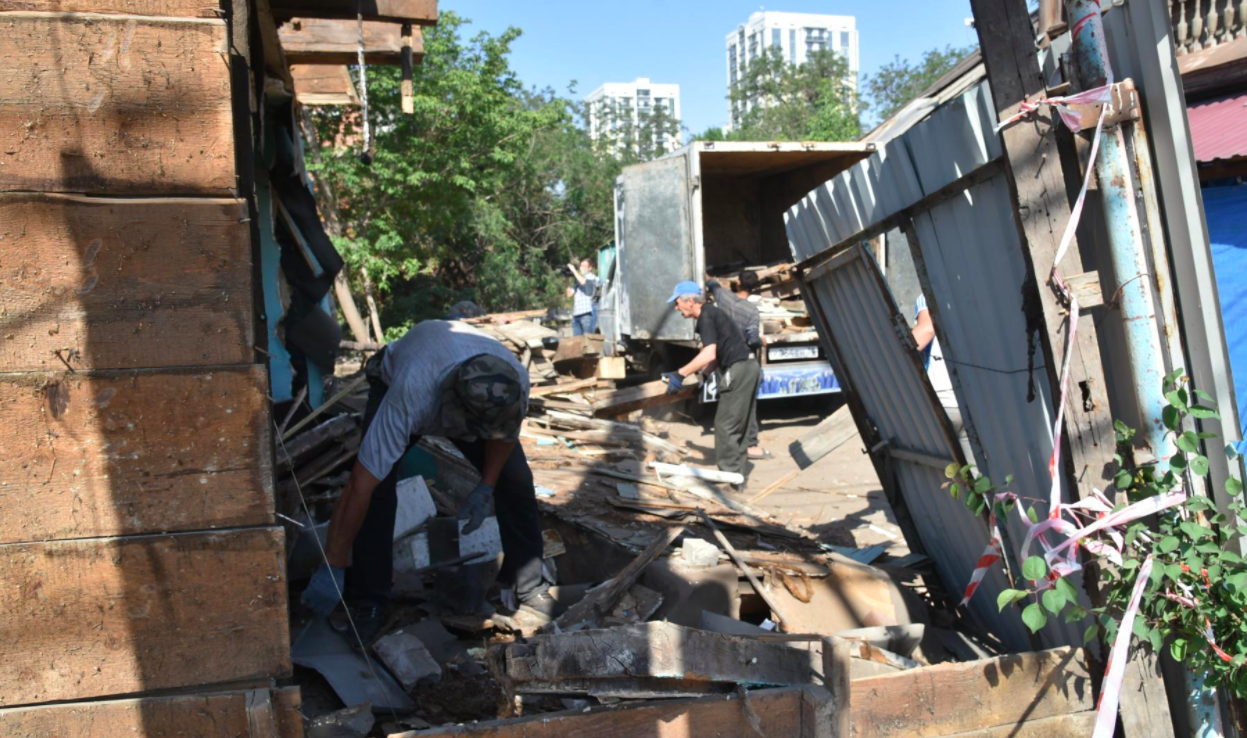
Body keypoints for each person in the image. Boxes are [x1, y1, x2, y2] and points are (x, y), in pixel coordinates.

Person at [301, 320, 552, 642]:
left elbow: (504, 436)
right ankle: (368, 599)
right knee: (378, 491)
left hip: (458, 380)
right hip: (400, 374)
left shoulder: (514, 381)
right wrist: (332, 563)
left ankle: (528, 583)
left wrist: (486, 486)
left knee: (516, 482)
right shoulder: (411, 396)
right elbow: (359, 486)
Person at [664, 281, 760, 487]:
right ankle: (738, 476)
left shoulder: (706, 316)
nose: (675, 307)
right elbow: (717, 353)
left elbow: (709, 352)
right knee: (738, 425)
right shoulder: (711, 313)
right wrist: (703, 376)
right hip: (749, 367)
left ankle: (729, 478)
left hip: (739, 369)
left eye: (677, 302)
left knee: (725, 425)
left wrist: (679, 374)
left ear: (690, 301)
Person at [706, 272, 769, 460]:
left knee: (727, 402)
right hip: (743, 361)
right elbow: (752, 339)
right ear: (755, 287)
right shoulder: (751, 311)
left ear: (738, 282)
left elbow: (711, 282)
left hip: (724, 358)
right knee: (748, 404)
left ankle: (733, 445)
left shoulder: (723, 296)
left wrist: (708, 275)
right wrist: (762, 341)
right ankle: (748, 444)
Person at [912, 293, 973, 460]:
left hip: (942, 400)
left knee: (940, 473)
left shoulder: (928, 292)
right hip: (975, 401)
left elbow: (926, 330)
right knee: (977, 477)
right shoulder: (976, 290)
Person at [566, 258, 599, 336]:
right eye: (581, 266)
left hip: (587, 313)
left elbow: (584, 282)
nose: (581, 268)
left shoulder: (591, 277)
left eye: (584, 266)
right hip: (576, 314)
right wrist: (567, 279)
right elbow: (569, 294)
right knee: (577, 341)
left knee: (588, 340)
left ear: (590, 268)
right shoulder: (579, 279)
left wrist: (574, 271)